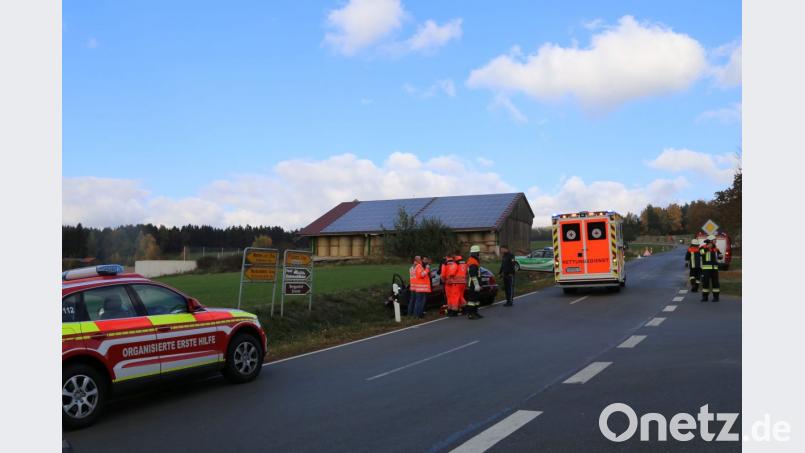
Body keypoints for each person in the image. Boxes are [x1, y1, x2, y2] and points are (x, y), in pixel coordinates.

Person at [699, 236, 722, 302]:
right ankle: (705, 297)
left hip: (714, 269)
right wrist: (707, 248)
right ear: (711, 241)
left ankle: (716, 297)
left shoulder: (716, 248)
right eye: (714, 240)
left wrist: (720, 256)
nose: (716, 241)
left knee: (716, 283)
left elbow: (719, 256)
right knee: (705, 283)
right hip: (706, 270)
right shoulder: (703, 247)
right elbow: (700, 253)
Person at [465, 245, 484, 320]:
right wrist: (476, 284)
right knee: (472, 300)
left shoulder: (474, 260)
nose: (479, 254)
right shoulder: (472, 261)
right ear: (476, 253)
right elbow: (473, 274)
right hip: (473, 284)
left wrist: (479, 284)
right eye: (478, 253)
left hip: (476, 283)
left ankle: (475, 313)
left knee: (476, 299)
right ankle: (470, 314)